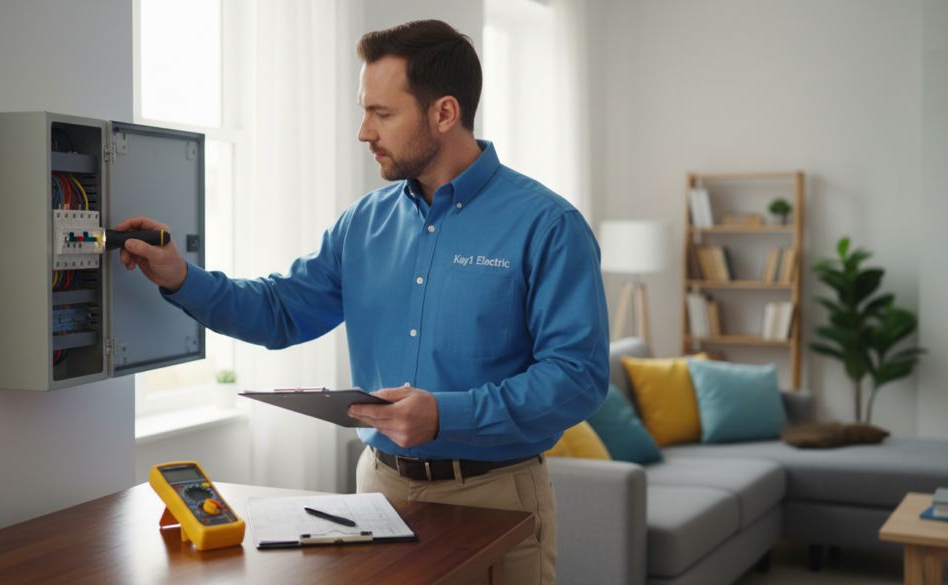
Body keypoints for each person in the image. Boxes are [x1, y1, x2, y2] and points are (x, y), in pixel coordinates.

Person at [116, 19, 609, 585]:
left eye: (382, 114)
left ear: (444, 113)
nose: (363, 132)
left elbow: (577, 377)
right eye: (364, 111)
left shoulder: (548, 225)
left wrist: (447, 413)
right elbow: (282, 310)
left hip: (497, 495)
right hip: (378, 491)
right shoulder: (363, 222)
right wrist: (180, 276)